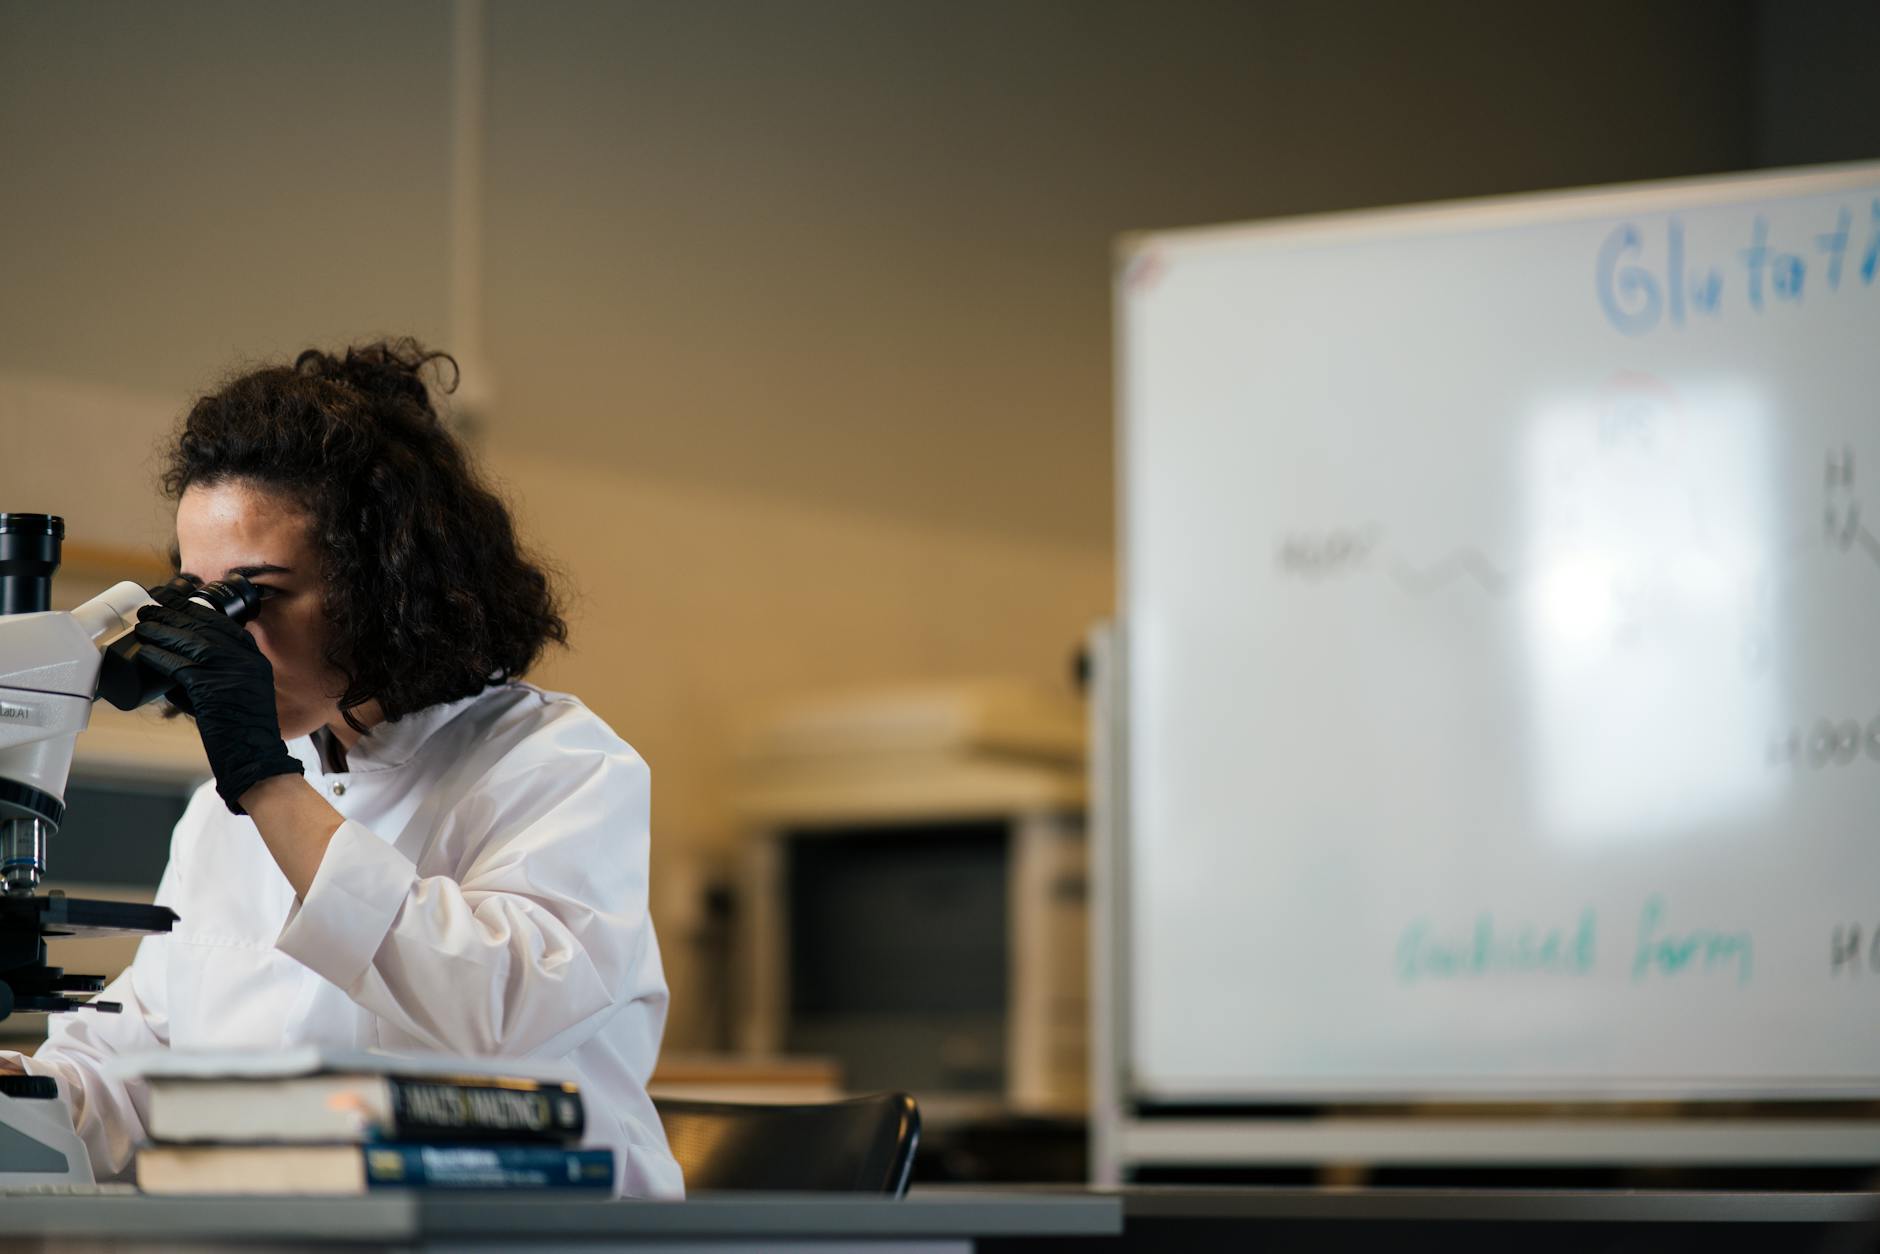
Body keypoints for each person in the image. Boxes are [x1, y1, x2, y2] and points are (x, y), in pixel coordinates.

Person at [4, 340, 681, 1197]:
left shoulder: (558, 765)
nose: (223, 640)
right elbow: (137, 1064)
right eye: (198, 597)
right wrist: (26, 1095)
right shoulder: (223, 811)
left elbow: (496, 1017)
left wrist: (264, 780)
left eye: (256, 596)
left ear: (388, 585)